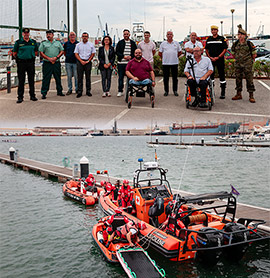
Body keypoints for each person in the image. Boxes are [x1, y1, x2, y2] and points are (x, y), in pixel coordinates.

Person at [231, 25, 257, 103]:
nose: (240, 36)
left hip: (247, 64)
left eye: (241, 35)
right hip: (238, 64)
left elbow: (254, 54)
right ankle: (238, 94)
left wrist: (249, 61)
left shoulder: (249, 43)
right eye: (238, 35)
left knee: (249, 80)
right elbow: (233, 53)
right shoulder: (235, 44)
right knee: (238, 79)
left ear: (245, 35)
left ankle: (251, 95)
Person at [13, 28, 38, 103]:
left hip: (30, 63)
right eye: (25, 33)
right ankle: (20, 97)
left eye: (27, 33)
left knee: (31, 80)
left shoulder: (33, 42)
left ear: (29, 34)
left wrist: (31, 56)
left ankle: (32, 96)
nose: (26, 34)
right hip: (21, 63)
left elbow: (36, 52)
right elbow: (15, 53)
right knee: (21, 80)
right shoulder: (18, 42)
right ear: (23, 34)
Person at [39, 29, 65, 99]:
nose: (48, 35)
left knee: (58, 77)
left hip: (56, 63)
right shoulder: (43, 43)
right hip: (47, 63)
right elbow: (41, 53)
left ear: (53, 35)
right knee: (46, 78)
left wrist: (56, 57)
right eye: (47, 34)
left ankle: (60, 91)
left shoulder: (58, 43)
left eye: (49, 34)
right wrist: (49, 58)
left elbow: (62, 51)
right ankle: (44, 93)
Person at [205, 25, 228, 99]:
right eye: (212, 30)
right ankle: (211, 92)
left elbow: (225, 49)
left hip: (220, 60)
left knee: (222, 76)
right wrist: (209, 57)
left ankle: (223, 92)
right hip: (211, 60)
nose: (213, 31)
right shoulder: (209, 39)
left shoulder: (221, 39)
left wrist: (218, 57)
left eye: (215, 30)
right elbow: (206, 50)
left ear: (217, 31)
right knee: (211, 76)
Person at [159, 31, 182, 96]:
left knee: (175, 78)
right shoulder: (163, 44)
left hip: (174, 63)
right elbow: (160, 53)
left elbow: (180, 52)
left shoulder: (176, 43)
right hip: (165, 63)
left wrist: (174, 56)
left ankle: (175, 90)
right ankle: (166, 91)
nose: (169, 35)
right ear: (166, 36)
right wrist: (165, 58)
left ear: (173, 35)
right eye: (168, 34)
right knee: (165, 78)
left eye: (171, 34)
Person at [115, 29, 137, 97]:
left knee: (130, 78)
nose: (126, 35)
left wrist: (131, 57)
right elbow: (117, 52)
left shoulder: (133, 43)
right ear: (123, 35)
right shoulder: (120, 42)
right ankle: (120, 91)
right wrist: (123, 56)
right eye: (125, 34)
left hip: (130, 63)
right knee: (120, 77)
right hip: (121, 63)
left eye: (127, 34)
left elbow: (135, 52)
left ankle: (130, 91)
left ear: (129, 34)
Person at [74, 32, 96, 98]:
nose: (84, 37)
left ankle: (88, 91)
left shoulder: (91, 45)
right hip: (80, 62)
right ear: (81, 37)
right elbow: (76, 53)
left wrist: (88, 60)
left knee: (88, 77)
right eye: (83, 36)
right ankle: (80, 91)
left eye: (86, 36)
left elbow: (93, 53)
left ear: (88, 37)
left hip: (88, 62)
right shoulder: (78, 45)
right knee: (79, 77)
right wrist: (81, 61)